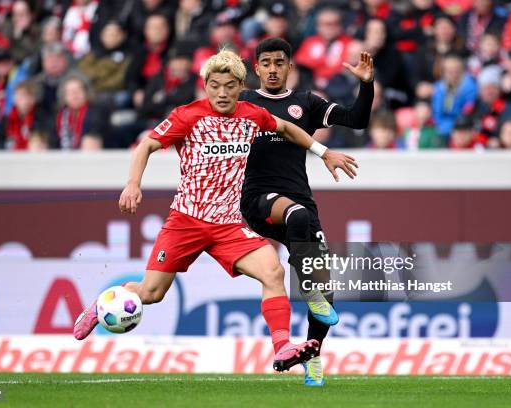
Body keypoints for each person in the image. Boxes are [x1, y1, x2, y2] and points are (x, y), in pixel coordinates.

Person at [74, 49, 359, 373]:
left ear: (240, 86)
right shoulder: (187, 115)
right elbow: (147, 145)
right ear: (205, 85)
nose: (221, 93)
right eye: (214, 85)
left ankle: (282, 348)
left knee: (273, 272)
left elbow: (288, 129)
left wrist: (322, 153)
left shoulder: (252, 115)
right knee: (150, 293)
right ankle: (101, 305)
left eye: (229, 85)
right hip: (186, 221)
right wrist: (132, 184)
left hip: (227, 225)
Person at [238, 38, 373, 386]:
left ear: (289, 67)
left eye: (279, 63)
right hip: (257, 199)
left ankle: (312, 356)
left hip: (299, 198)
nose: (272, 69)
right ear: (256, 68)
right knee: (297, 217)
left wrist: (366, 84)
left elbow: (357, 120)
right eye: (265, 63)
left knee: (327, 294)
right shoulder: (243, 103)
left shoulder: (306, 103)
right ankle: (308, 290)